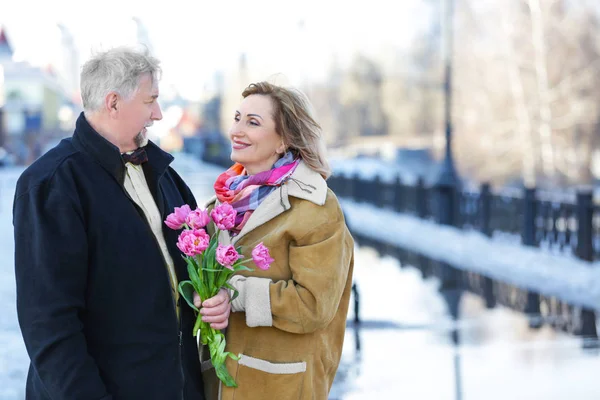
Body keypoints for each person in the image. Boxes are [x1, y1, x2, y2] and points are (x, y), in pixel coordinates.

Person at [13, 46, 230, 400]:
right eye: (150, 100)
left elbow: (192, 275)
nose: (158, 114)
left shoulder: (166, 178)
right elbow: (50, 327)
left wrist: (215, 298)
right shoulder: (51, 185)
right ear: (113, 103)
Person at [198, 82, 354, 400]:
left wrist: (235, 295)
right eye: (237, 118)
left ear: (283, 140)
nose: (237, 130)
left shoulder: (315, 207)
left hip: (280, 386)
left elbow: (313, 304)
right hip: (220, 384)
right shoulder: (220, 205)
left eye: (253, 122)